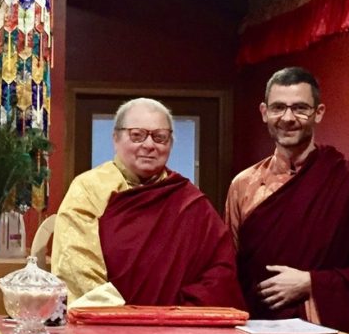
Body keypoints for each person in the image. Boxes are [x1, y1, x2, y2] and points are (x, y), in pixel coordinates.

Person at [52, 98, 243, 308]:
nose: (149, 145)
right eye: (137, 135)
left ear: (170, 143)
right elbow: (76, 267)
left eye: (160, 137)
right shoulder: (89, 189)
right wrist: (122, 316)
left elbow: (219, 270)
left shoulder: (187, 200)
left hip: (176, 327)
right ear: (116, 138)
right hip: (110, 326)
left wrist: (183, 313)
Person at [227, 67, 349, 333]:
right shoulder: (244, 185)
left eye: (300, 108)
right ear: (264, 112)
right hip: (257, 330)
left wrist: (312, 282)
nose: (287, 118)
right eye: (278, 108)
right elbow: (229, 268)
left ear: (318, 112)